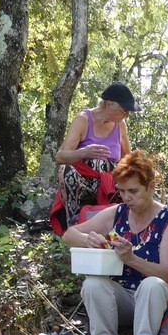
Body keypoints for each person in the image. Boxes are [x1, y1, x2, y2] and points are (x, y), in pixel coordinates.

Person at [61, 149, 168, 335]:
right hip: (126, 297)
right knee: (93, 283)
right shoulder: (117, 213)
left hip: (160, 296)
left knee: (151, 285)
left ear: (150, 187)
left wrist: (132, 259)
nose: (127, 197)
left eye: (133, 191)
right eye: (122, 191)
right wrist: (87, 239)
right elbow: (68, 234)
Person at [52, 82, 137, 231]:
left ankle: (130, 226)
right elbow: (60, 157)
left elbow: (128, 159)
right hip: (83, 182)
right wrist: (83, 153)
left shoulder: (121, 125)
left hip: (110, 185)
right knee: (65, 171)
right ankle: (74, 225)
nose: (127, 115)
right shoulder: (83, 119)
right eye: (124, 110)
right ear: (109, 104)